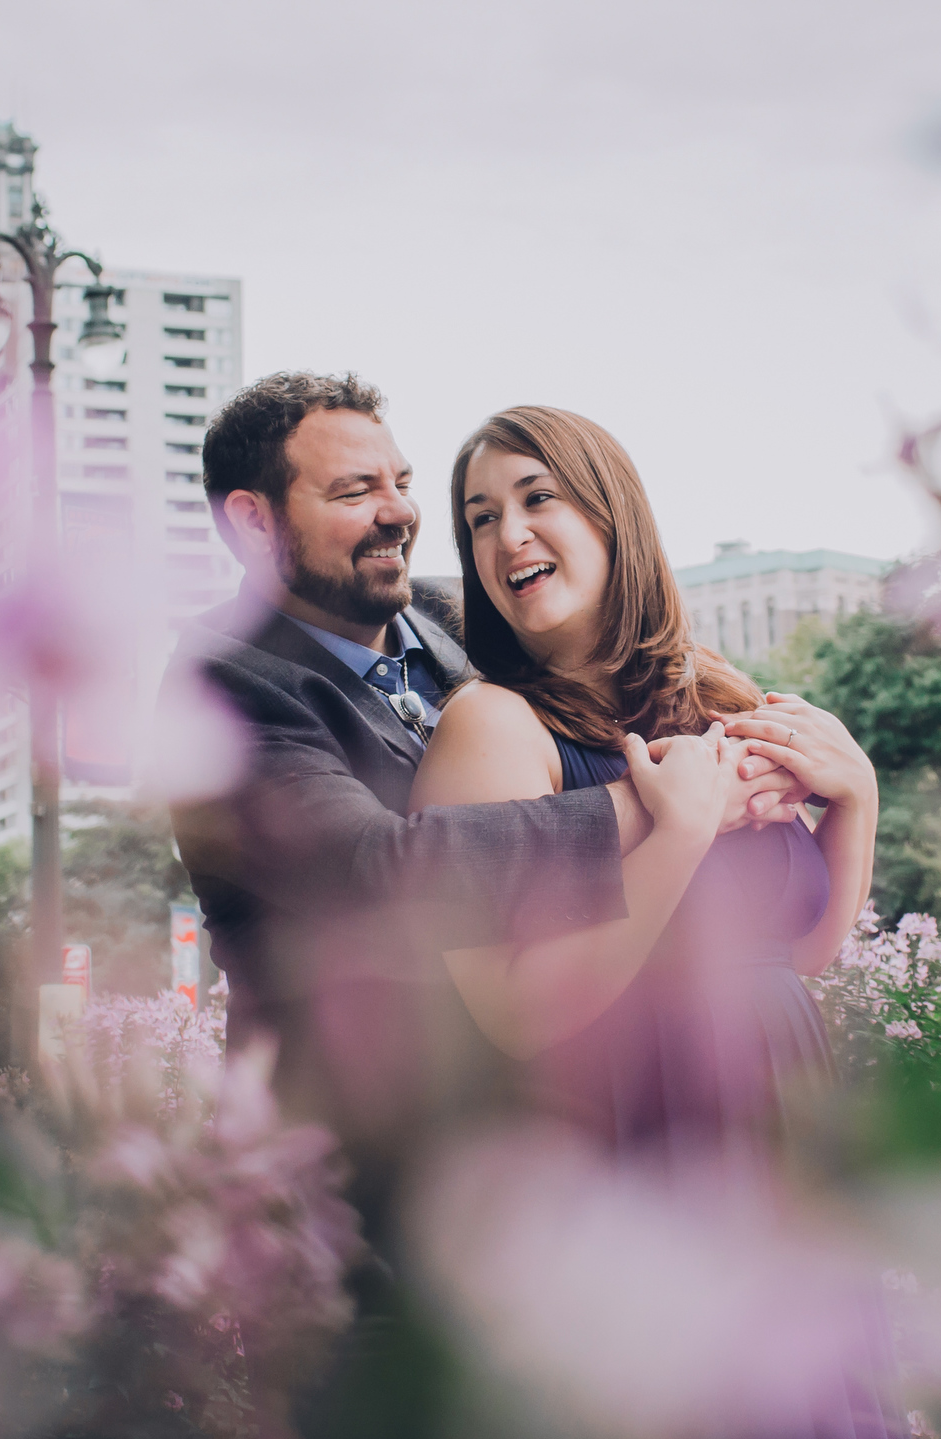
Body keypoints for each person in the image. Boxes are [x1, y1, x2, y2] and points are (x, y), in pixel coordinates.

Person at [411, 404, 926, 1439]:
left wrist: (853, 805)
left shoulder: (718, 696)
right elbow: (522, 1017)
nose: (507, 534)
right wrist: (681, 827)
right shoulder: (494, 727)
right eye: (480, 516)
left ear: (611, 513)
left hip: (776, 1163)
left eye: (537, 497)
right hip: (636, 1167)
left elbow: (793, 955)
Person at [162, 372, 801, 1169]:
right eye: (357, 491)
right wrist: (661, 802)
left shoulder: (456, 615)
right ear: (254, 523)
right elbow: (384, 871)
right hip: (355, 1163)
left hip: (544, 1139)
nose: (399, 512)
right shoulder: (217, 698)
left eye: (401, 482)